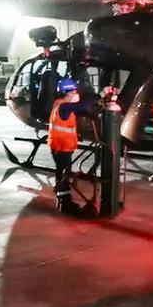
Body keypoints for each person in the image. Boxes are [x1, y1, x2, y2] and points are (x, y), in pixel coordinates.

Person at [48, 78, 98, 215]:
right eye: (74, 91)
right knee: (64, 174)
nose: (76, 94)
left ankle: (63, 198)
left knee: (64, 172)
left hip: (62, 146)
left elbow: (80, 110)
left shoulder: (62, 104)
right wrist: (101, 95)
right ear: (68, 92)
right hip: (61, 146)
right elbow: (82, 105)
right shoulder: (64, 106)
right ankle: (64, 201)